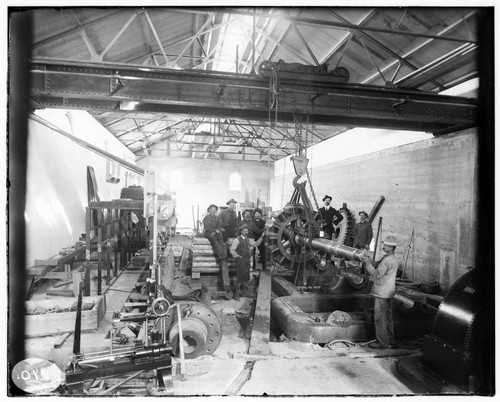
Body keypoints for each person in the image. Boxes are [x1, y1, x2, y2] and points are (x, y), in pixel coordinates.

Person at [360, 235, 399, 349]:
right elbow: (377, 264)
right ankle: (391, 341)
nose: (384, 246)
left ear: (391, 248)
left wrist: (367, 263)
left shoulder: (387, 260)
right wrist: (368, 258)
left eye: (386, 245)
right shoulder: (391, 258)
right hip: (389, 292)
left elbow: (376, 273)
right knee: (387, 317)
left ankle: (382, 343)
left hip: (382, 293)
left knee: (379, 318)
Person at [229, 224, 265, 300]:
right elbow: (232, 250)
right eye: (244, 231)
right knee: (239, 277)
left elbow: (256, 244)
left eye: (247, 231)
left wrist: (261, 237)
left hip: (247, 260)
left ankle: (245, 293)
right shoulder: (237, 240)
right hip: (240, 261)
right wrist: (237, 256)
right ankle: (236, 295)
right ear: (241, 231)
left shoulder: (248, 240)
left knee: (246, 277)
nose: (246, 232)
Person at [202, 204, 231, 297]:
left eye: (215, 209)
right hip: (208, 233)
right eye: (212, 209)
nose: (213, 211)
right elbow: (207, 227)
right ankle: (221, 255)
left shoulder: (218, 218)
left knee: (221, 240)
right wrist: (214, 231)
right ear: (209, 210)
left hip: (216, 232)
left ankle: (224, 254)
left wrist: (218, 230)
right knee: (214, 240)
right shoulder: (206, 218)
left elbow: (219, 226)